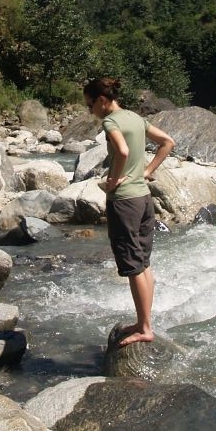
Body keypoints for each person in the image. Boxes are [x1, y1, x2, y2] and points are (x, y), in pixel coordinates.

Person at [83, 76, 175, 346]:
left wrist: (112, 179)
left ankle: (144, 328)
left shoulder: (110, 121)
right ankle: (144, 321)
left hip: (123, 202)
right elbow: (168, 142)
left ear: (102, 100)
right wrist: (146, 172)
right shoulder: (134, 117)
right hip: (144, 199)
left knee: (133, 266)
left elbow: (121, 151)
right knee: (143, 263)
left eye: (90, 106)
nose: (91, 111)